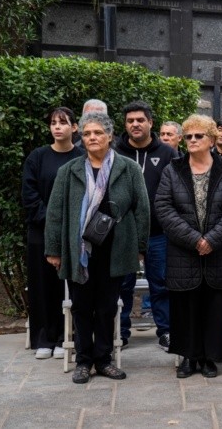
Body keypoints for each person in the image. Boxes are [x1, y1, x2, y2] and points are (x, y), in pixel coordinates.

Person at [45, 112, 150, 384]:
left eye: (98, 133)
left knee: (106, 307)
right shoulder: (68, 171)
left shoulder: (128, 169)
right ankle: (83, 360)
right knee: (81, 306)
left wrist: (139, 246)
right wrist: (54, 249)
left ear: (110, 136)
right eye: (88, 134)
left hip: (114, 250)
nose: (92, 138)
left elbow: (142, 210)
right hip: (79, 250)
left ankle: (103, 359)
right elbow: (55, 213)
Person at [154, 114, 222, 379]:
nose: (192, 140)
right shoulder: (173, 169)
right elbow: (163, 207)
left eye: (199, 136)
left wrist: (212, 240)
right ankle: (188, 357)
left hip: (220, 251)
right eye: (189, 136)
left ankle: (210, 358)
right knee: (186, 306)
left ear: (212, 140)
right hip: (185, 250)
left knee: (216, 307)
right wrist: (195, 239)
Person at [22, 107, 85, 359]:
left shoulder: (82, 157)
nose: (57, 127)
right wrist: (53, 221)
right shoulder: (37, 157)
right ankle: (45, 338)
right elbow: (29, 194)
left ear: (74, 127)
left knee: (70, 285)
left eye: (63, 122)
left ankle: (65, 337)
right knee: (42, 285)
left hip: (74, 233)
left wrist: (68, 223)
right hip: (41, 232)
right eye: (53, 123)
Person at [114, 101, 177, 351]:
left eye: (140, 120)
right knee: (122, 285)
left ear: (151, 122)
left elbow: (176, 189)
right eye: (130, 121)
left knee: (161, 284)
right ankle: (121, 332)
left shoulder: (168, 154)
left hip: (159, 234)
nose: (135, 124)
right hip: (124, 234)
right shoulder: (115, 152)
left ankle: (166, 331)